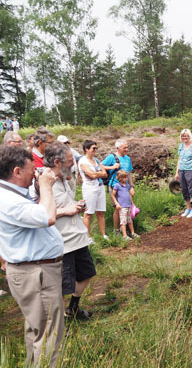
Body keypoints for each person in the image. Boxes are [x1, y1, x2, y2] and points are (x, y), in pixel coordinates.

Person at [0, 146, 65, 367]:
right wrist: (46, 186)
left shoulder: (12, 194)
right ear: (17, 172)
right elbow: (47, 217)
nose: (35, 172)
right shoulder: (7, 201)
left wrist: (39, 187)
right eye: (32, 168)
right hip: (36, 274)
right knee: (48, 336)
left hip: (33, 272)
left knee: (37, 331)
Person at [44, 142, 96, 320]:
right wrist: (65, 211)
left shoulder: (65, 178)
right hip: (61, 243)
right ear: (57, 162)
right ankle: (57, 323)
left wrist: (76, 206)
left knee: (86, 274)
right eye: (69, 161)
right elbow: (39, 214)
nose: (73, 164)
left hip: (78, 238)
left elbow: (64, 203)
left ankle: (73, 309)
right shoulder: (43, 182)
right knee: (61, 285)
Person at [78, 140, 109, 240]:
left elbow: (105, 174)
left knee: (100, 212)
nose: (95, 150)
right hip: (89, 189)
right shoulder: (83, 161)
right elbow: (92, 174)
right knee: (88, 213)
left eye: (96, 148)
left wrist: (97, 173)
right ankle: (87, 237)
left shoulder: (96, 160)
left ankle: (103, 235)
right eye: (93, 148)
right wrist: (97, 173)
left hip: (99, 187)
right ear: (86, 149)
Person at [102, 139, 134, 232]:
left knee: (126, 207)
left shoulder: (128, 158)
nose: (127, 149)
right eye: (124, 148)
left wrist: (131, 187)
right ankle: (116, 230)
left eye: (127, 147)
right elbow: (100, 166)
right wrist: (112, 167)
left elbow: (130, 173)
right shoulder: (112, 157)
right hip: (114, 186)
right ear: (118, 148)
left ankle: (124, 228)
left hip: (125, 187)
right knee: (118, 208)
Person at [111, 170, 139, 240]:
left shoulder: (127, 185)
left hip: (128, 205)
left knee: (129, 221)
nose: (126, 179)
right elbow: (113, 195)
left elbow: (129, 195)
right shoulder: (117, 185)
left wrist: (132, 202)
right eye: (124, 178)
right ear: (120, 178)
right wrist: (116, 203)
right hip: (122, 206)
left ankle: (132, 233)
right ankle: (124, 236)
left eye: (126, 177)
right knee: (123, 221)